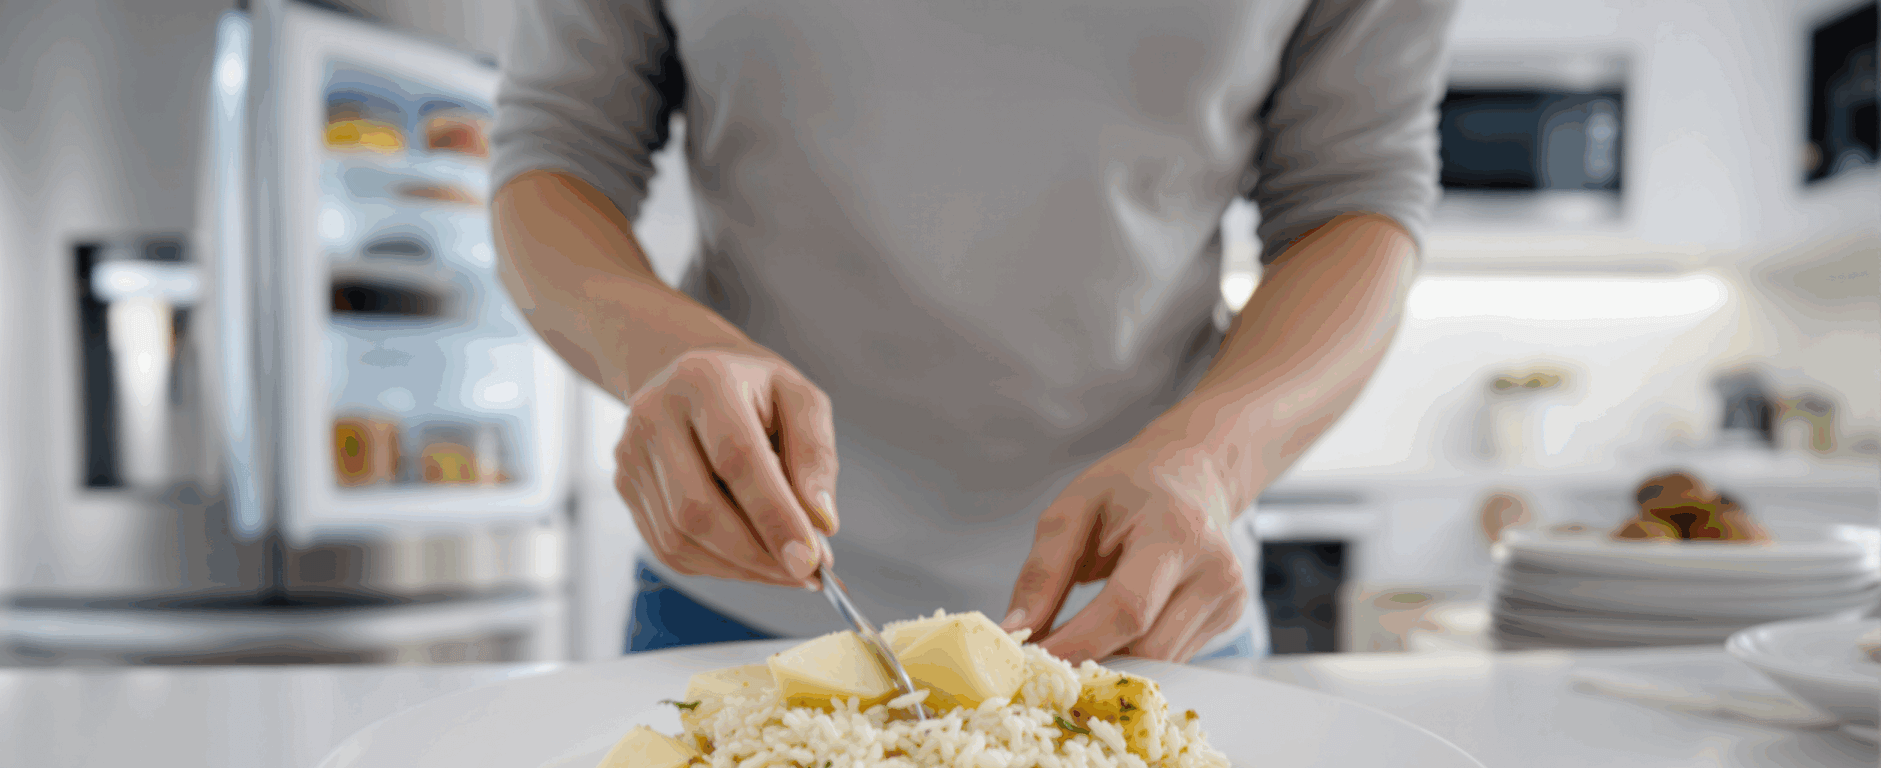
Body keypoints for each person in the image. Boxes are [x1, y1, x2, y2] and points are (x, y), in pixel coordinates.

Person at [491, 1, 1452, 664]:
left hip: (1145, 608)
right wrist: (661, 353)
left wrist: (1215, 457)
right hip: (737, 598)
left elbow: (1354, 202)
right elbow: (557, 153)